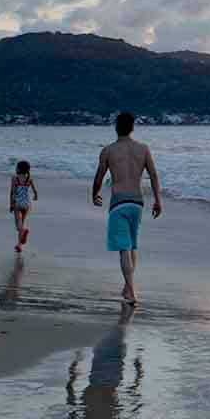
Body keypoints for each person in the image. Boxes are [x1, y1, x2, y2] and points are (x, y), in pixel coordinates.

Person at [91, 112, 161, 307]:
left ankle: (131, 291)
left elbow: (98, 177)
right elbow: (154, 176)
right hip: (137, 203)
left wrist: (94, 193)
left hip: (118, 203)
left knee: (124, 249)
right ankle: (127, 285)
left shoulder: (108, 151)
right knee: (132, 245)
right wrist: (158, 200)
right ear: (132, 127)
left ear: (116, 127)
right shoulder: (143, 149)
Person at [9, 160, 39, 253]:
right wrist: (35, 197)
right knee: (22, 223)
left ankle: (25, 231)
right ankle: (19, 245)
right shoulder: (29, 179)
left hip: (18, 203)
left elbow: (12, 192)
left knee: (19, 226)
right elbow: (35, 192)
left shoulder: (15, 178)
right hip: (26, 203)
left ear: (18, 169)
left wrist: (11, 204)